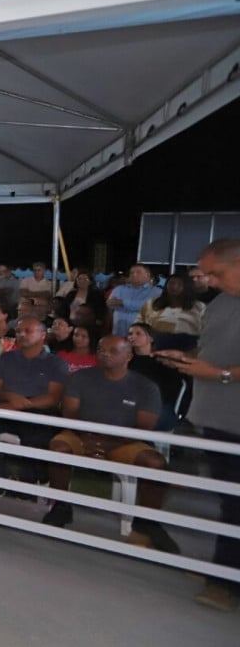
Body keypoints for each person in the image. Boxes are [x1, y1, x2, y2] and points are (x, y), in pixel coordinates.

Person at [156, 239, 240, 611]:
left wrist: (220, 374)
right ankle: (224, 571)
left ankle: (225, 580)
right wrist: (187, 358)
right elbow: (208, 352)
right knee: (230, 500)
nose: (212, 281)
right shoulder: (221, 304)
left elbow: (220, 366)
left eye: (217, 273)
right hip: (214, 416)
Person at [42, 336, 179, 553]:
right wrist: (87, 436)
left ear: (129, 356)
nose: (105, 354)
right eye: (101, 349)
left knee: (155, 463)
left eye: (113, 351)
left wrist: (109, 443)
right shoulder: (80, 378)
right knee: (59, 447)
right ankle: (61, 505)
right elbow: (69, 413)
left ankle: (147, 522)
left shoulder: (146, 387)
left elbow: (144, 426)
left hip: (125, 441)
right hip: (81, 435)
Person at [0, 316, 69, 490]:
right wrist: (9, 397)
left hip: (38, 411)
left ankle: (31, 483)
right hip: (5, 405)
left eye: (28, 331)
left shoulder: (56, 363)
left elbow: (53, 398)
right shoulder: (6, 358)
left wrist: (21, 404)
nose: (22, 334)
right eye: (18, 331)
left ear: (43, 335)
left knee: (40, 434)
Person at [127, 323, 185, 431]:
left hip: (158, 405)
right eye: (130, 334)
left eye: (138, 333)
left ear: (151, 338)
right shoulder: (126, 361)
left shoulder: (163, 361)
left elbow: (171, 388)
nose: (132, 337)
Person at [138, 272, 204, 351]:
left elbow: (206, 331)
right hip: (156, 349)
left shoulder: (199, 307)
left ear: (187, 287)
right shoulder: (152, 303)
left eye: (179, 284)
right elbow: (139, 325)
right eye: (172, 283)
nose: (174, 287)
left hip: (188, 350)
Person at [107, 263, 161, 337]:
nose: (134, 275)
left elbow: (147, 306)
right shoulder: (119, 289)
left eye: (138, 272)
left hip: (142, 337)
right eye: (132, 273)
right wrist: (134, 306)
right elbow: (110, 304)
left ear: (147, 275)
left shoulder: (156, 291)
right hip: (119, 334)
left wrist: (122, 303)